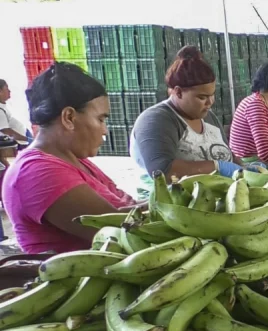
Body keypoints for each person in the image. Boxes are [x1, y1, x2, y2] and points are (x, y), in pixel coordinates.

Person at [2, 62, 139, 254]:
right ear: (69, 117)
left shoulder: (74, 160)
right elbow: (122, 231)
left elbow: (128, 207)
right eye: (100, 119)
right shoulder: (37, 172)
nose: (104, 130)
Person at [131, 46, 251, 191]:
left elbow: (226, 154)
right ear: (178, 92)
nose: (210, 102)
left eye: (212, 95)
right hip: (172, 200)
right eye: (202, 97)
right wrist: (216, 166)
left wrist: (244, 167)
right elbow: (163, 171)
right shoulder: (156, 120)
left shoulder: (208, 117)